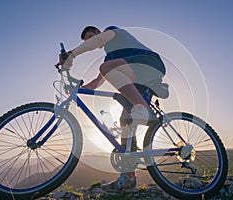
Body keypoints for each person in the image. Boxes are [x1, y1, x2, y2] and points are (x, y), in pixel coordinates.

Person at [58, 25, 166, 191]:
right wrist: (77, 89)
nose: (90, 42)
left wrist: (71, 55)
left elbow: (99, 41)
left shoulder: (112, 32)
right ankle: (129, 178)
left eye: (90, 38)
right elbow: (96, 83)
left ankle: (145, 110)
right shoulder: (110, 59)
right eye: (87, 40)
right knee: (125, 123)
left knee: (107, 68)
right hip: (139, 78)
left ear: (98, 33)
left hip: (149, 62)